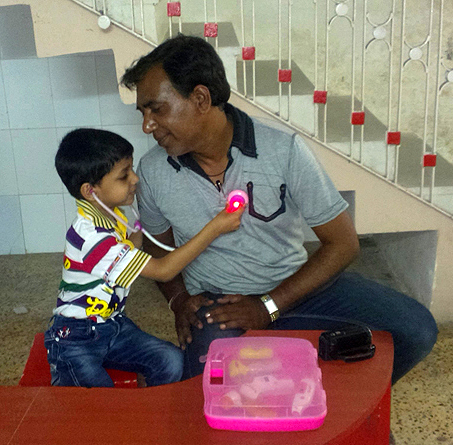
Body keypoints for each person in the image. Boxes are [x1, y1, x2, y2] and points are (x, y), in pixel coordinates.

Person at [120, 34, 438, 383]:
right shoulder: (153, 172)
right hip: (219, 305)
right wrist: (180, 300)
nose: (147, 126)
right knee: (207, 385)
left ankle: (337, 401)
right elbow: (159, 248)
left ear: (200, 98)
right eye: (143, 113)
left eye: (156, 109)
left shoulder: (283, 150)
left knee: (416, 329)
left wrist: (268, 306)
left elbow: (344, 243)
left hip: (297, 290)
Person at [44, 128, 244, 387]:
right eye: (124, 175)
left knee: (171, 361)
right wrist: (215, 227)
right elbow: (163, 270)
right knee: (99, 399)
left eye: (131, 169)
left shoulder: (111, 215)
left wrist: (144, 226)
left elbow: (135, 244)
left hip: (113, 327)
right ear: (90, 191)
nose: (135, 179)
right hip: (75, 338)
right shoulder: (92, 238)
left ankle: (150, 405)